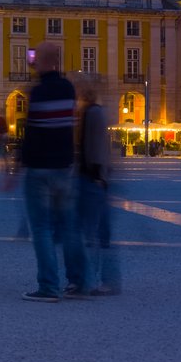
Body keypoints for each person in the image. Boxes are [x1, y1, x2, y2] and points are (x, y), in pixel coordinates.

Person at [19, 41, 87, 302]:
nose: (31, 60)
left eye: (34, 56)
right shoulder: (68, 88)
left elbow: (33, 132)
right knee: (69, 226)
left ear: (43, 60)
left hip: (39, 168)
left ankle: (48, 286)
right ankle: (78, 281)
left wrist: (19, 165)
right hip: (64, 165)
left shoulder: (39, 91)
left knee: (41, 228)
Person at [76, 77, 121, 296]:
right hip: (98, 178)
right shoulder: (96, 112)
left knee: (94, 234)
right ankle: (108, 281)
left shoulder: (92, 113)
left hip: (94, 179)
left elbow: (95, 147)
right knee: (101, 233)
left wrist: (97, 175)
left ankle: (95, 281)